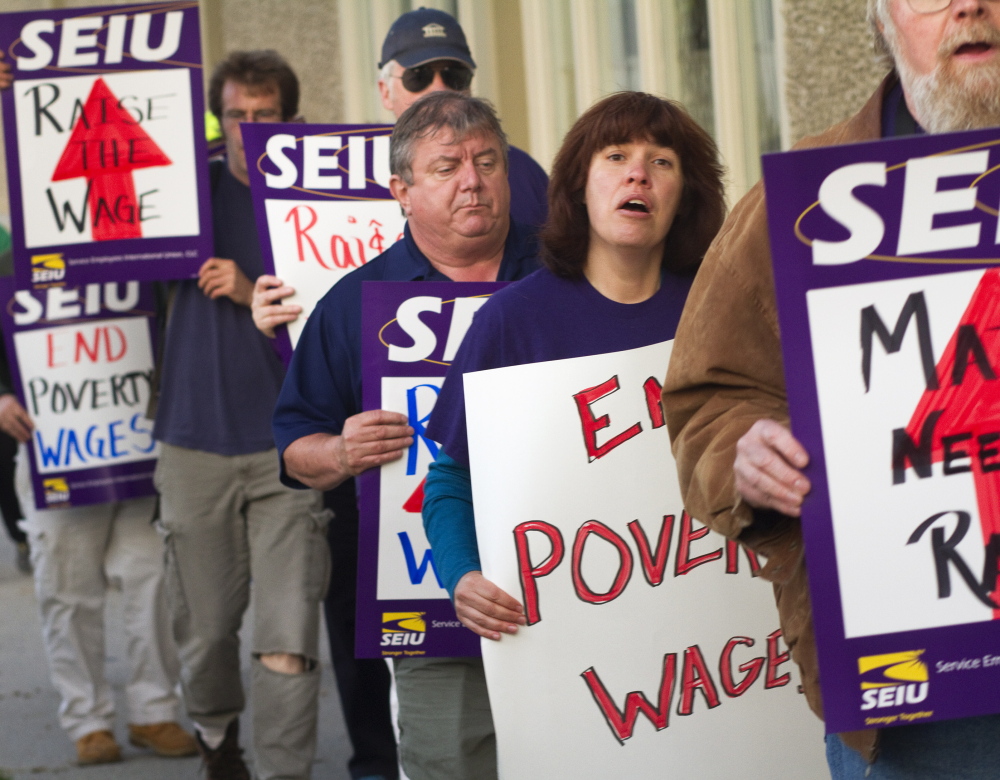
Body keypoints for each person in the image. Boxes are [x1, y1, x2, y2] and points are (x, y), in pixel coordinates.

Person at [662, 0, 1000, 777]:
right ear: (884, 21)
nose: (969, 6)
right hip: (912, 696)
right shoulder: (802, 202)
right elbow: (705, 398)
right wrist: (742, 454)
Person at [419, 92, 724, 763]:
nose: (637, 175)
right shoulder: (510, 322)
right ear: (580, 187)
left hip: (715, 652)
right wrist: (462, 574)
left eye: (661, 162)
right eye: (616, 157)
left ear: (685, 192)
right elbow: (450, 480)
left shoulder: (722, 311)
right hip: (569, 656)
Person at [272, 91, 539, 780]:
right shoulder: (353, 304)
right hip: (429, 605)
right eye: (447, 166)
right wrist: (339, 452)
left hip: (579, 582)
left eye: (487, 161)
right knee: (448, 764)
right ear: (402, 189)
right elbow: (294, 442)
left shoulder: (565, 274)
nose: (473, 181)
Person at [152, 50, 328, 780]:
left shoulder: (317, 203)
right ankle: (218, 737)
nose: (250, 129)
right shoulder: (179, 190)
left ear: (291, 119)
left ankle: (285, 771)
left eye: (264, 116)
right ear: (220, 120)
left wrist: (248, 285)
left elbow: (341, 312)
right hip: (193, 441)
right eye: (237, 116)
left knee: (287, 634)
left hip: (290, 446)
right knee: (206, 632)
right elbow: (84, 190)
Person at [0, 344, 196, 767]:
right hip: (50, 438)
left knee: (155, 584)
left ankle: (155, 713)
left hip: (141, 437)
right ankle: (87, 722)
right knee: (66, 590)